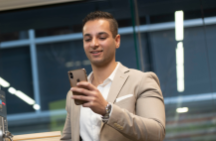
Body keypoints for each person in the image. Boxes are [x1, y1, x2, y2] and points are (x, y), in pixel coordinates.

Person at [60, 11, 165, 141]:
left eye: (102, 37)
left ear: (117, 41)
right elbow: (68, 138)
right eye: (88, 39)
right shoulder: (75, 93)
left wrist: (107, 110)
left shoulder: (142, 81)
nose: (94, 44)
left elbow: (157, 133)